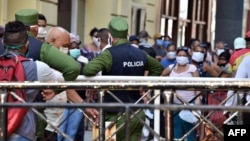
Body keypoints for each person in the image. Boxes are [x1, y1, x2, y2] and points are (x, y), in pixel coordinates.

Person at [83, 16, 164, 141]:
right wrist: (145, 85)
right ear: (127, 34)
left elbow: (88, 70)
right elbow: (158, 68)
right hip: (137, 111)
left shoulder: (109, 54)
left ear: (110, 36)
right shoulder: (140, 53)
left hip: (113, 115)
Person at [3, 20, 65, 141]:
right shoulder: (38, 68)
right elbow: (60, 79)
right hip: (23, 131)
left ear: (3, 43)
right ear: (26, 44)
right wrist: (53, 91)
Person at [161, 47, 200, 141]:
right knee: (175, 126)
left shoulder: (192, 69)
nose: (182, 57)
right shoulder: (171, 68)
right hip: (174, 103)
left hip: (189, 102)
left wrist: (198, 99)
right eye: (179, 55)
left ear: (188, 57)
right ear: (176, 56)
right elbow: (161, 78)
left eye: (184, 55)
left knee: (189, 127)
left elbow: (199, 85)